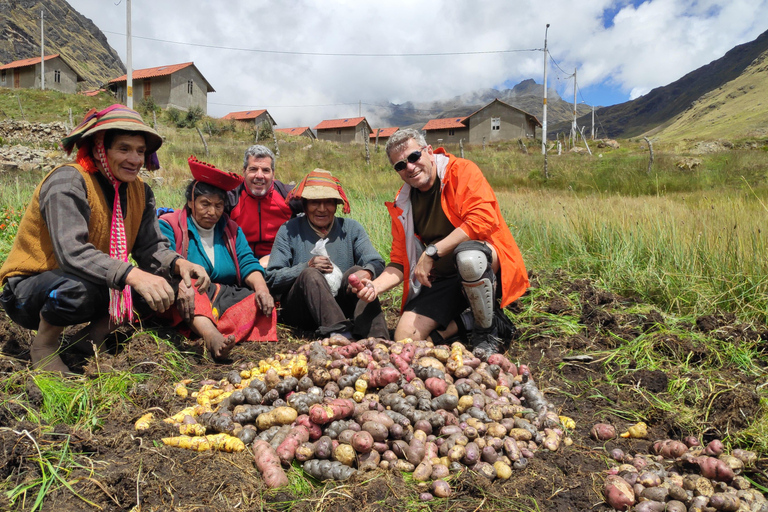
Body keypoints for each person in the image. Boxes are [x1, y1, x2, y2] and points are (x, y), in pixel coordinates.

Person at [0, 105, 210, 373]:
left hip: (90, 278)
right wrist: (134, 275)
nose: (135, 159)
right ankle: (44, 345)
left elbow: (150, 248)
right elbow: (71, 252)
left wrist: (180, 265)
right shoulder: (68, 181)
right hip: (32, 289)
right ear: (101, 148)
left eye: (140, 151)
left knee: (164, 281)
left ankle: (90, 339)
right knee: (78, 289)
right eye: (124, 149)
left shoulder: (140, 192)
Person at [352, 128, 529, 356]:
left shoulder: (461, 171)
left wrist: (432, 252)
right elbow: (400, 261)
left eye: (414, 157)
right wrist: (375, 287)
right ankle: (469, 321)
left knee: (468, 257)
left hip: (486, 265)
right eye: (400, 165)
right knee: (405, 338)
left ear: (428, 151)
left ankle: (488, 333)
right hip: (443, 278)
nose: (410, 167)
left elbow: (482, 218)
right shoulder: (403, 203)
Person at [158, 157, 276, 360]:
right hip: (188, 291)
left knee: (258, 301)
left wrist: (262, 289)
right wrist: (183, 276)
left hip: (223, 295)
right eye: (205, 204)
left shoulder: (231, 230)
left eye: (218, 205)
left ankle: (213, 329)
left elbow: (248, 263)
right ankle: (213, 338)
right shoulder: (169, 224)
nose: (212, 212)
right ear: (190, 201)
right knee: (192, 287)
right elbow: (162, 258)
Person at [266, 169, 389, 340]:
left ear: (336, 205)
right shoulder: (289, 230)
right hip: (302, 311)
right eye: (315, 202)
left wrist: (366, 273)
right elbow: (272, 277)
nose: (322, 209)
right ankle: (341, 335)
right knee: (310, 274)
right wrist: (305, 266)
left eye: (328, 202)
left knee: (356, 272)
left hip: (342, 308)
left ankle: (378, 339)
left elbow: (375, 260)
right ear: (305, 204)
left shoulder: (351, 229)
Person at [227, 145, 301, 267]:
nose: (259, 175)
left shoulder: (288, 195)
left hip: (280, 258)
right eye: (253, 169)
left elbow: (318, 206)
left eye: (266, 170)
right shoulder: (231, 197)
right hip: (240, 259)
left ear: (273, 173)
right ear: (244, 171)